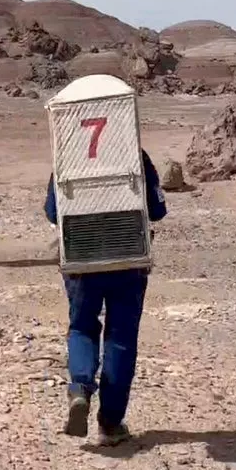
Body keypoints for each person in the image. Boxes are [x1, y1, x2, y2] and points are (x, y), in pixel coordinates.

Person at [45, 149, 167, 446]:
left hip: (81, 256)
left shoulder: (66, 152)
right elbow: (158, 208)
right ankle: (110, 422)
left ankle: (80, 388)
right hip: (128, 256)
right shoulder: (136, 153)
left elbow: (51, 211)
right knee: (121, 337)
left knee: (82, 326)